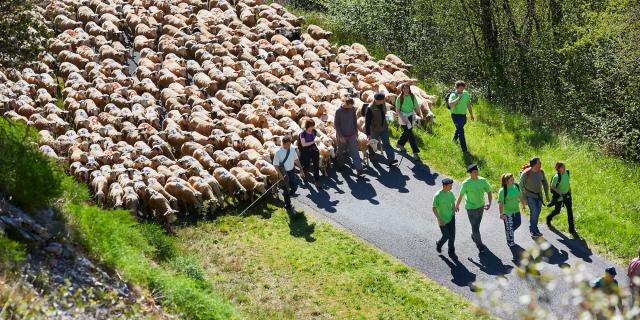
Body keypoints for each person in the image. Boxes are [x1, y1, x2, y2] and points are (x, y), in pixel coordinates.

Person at [455, 164, 492, 253]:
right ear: (470, 173)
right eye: (474, 172)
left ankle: (474, 235)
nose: (476, 173)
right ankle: (480, 246)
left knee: (477, 225)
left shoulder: (483, 181)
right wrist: (457, 205)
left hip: (481, 207)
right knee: (475, 227)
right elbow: (461, 195)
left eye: (477, 171)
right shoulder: (466, 183)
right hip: (470, 208)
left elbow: (489, 191)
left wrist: (490, 203)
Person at [273, 136, 305, 212]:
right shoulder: (278, 152)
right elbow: (275, 164)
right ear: (283, 143)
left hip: (291, 171)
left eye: (290, 144)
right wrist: (280, 175)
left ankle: (287, 195)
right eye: (287, 144)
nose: (289, 146)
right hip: (284, 173)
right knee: (286, 189)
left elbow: (296, 159)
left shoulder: (292, 149)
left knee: (294, 186)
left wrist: (301, 169)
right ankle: (288, 205)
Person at [365, 92, 397, 166]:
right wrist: (368, 134)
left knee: (387, 144)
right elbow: (367, 122)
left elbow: (384, 113)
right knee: (373, 144)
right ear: (376, 100)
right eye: (382, 100)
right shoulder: (370, 108)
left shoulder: (383, 103)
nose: (383, 101)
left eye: (383, 100)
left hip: (384, 128)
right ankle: (372, 156)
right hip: (374, 130)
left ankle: (391, 160)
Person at [520, 157, 549, 238]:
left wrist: (546, 195)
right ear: (535, 164)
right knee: (534, 212)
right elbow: (521, 186)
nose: (541, 163)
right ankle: (534, 230)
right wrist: (524, 198)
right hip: (529, 196)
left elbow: (545, 183)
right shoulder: (526, 173)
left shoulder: (541, 171)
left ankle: (533, 228)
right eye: (539, 162)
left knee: (537, 212)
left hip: (539, 195)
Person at [334, 98, 365, 176]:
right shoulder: (338, 111)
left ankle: (359, 169)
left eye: (352, 106)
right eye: (349, 106)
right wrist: (340, 136)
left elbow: (355, 120)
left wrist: (356, 132)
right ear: (345, 103)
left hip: (351, 134)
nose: (351, 107)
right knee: (340, 150)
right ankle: (340, 164)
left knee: (355, 151)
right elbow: (336, 125)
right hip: (342, 136)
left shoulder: (352, 109)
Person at [395, 83, 423, 161]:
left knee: (407, 132)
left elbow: (417, 106)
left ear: (409, 89)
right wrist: (402, 118)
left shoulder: (412, 96)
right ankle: (415, 152)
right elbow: (397, 110)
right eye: (404, 88)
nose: (405, 90)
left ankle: (400, 144)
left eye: (407, 88)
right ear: (402, 89)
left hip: (411, 115)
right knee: (410, 134)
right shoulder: (399, 98)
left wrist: (420, 114)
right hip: (403, 116)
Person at [546, 161, 575, 234]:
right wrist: (560, 192)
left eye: (564, 166)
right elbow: (552, 186)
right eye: (562, 167)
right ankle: (549, 217)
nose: (564, 168)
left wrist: (569, 191)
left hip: (567, 195)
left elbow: (567, 182)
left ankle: (571, 229)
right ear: (558, 169)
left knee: (570, 211)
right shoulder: (556, 177)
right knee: (557, 211)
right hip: (559, 197)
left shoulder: (567, 173)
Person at [498, 173, 525, 247]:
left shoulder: (516, 186)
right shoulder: (503, 191)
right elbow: (501, 203)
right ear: (506, 181)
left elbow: (520, 196)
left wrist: (523, 204)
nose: (513, 180)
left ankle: (509, 232)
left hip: (516, 210)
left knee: (518, 223)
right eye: (511, 179)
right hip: (507, 212)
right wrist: (501, 213)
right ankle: (510, 241)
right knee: (509, 227)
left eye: (513, 179)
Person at [433, 178, 458, 260]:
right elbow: (434, 208)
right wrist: (439, 219)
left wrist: (454, 208)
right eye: (450, 186)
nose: (451, 188)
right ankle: (439, 244)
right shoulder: (438, 195)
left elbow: (453, 201)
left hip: (451, 217)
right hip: (442, 220)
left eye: (451, 186)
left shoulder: (450, 193)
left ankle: (451, 252)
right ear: (444, 186)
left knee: (452, 236)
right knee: (446, 236)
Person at [447, 80, 474, 153]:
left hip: (463, 116)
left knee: (460, 128)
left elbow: (468, 104)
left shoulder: (466, 93)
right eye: (461, 88)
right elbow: (450, 105)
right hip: (455, 116)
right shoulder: (453, 95)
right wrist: (458, 98)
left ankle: (453, 140)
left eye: (463, 88)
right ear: (457, 88)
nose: (462, 90)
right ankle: (465, 150)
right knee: (461, 132)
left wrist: (471, 114)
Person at [298, 119, 322, 187]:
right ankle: (304, 173)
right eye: (312, 126)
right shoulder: (302, 133)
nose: (313, 127)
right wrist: (314, 141)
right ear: (308, 126)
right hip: (305, 150)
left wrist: (319, 138)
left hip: (313, 148)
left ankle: (317, 180)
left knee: (316, 165)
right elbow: (304, 144)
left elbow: (320, 135)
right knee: (306, 164)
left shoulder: (314, 131)